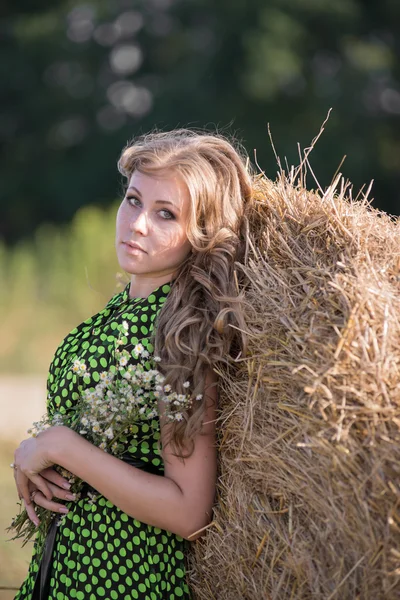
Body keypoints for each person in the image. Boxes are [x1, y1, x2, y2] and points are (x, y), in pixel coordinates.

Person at [12, 128, 253, 600]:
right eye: (134, 200)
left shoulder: (182, 333)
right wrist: (36, 452)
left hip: (121, 578)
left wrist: (60, 445)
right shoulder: (120, 310)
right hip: (62, 570)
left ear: (200, 233)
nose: (137, 223)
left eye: (166, 214)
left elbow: (189, 512)